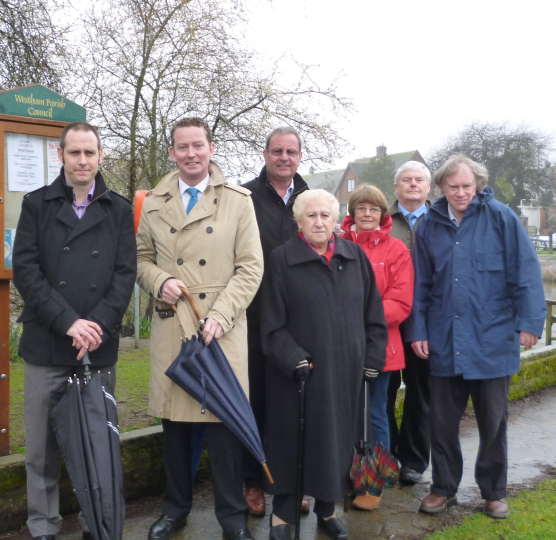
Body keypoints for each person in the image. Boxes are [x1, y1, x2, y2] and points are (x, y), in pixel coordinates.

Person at [136, 117, 263, 540]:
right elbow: (140, 259)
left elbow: (251, 267)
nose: (191, 153)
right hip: (174, 323)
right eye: (182, 146)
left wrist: (221, 315)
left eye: (198, 145)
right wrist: (159, 281)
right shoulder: (153, 201)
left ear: (211, 148)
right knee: (175, 427)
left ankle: (232, 518)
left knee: (224, 425)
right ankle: (174, 510)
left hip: (220, 327)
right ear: (172, 152)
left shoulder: (238, 200)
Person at [12, 122, 137, 540]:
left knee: (97, 442)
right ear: (60, 155)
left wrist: (95, 324)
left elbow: (125, 274)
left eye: (89, 153)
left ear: (100, 155)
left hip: (97, 345)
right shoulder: (37, 205)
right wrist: (68, 322)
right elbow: (26, 272)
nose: (82, 161)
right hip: (47, 342)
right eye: (74, 153)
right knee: (41, 448)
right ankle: (43, 525)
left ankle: (95, 523)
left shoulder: (119, 209)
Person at [406, 154, 546, 519]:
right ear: (441, 187)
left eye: (467, 186)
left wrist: (531, 322)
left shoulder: (501, 217)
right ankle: (443, 488)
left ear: (478, 184)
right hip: (444, 339)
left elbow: (526, 271)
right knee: (441, 424)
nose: (460, 193)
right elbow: (420, 283)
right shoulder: (429, 225)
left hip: (492, 339)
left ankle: (494, 493)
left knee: (493, 424)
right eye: (453, 186)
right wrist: (418, 329)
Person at [262, 189, 388, 540]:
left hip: (346, 373)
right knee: (293, 446)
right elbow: (271, 323)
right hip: (300, 375)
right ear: (299, 221)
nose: (319, 222)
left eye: (325, 216)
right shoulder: (282, 259)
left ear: (335, 221)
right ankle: (282, 516)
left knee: (338, 443)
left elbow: (373, 314)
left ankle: (328, 511)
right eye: (311, 216)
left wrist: (373, 356)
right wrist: (292, 357)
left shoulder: (354, 256)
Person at [240, 127, 308, 516]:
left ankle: (294, 482)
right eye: (277, 151)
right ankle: (253, 481)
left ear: (299, 156)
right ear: (265, 154)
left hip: (298, 320)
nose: (284, 157)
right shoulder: (244, 196)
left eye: (291, 151)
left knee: (294, 404)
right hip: (252, 316)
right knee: (254, 403)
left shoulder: (311, 198)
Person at [338, 184, 414, 511]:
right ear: (352, 212)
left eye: (373, 209)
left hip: (379, 346)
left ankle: (372, 482)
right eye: (361, 208)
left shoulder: (395, 249)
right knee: (341, 414)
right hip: (339, 346)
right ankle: (342, 476)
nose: (367, 214)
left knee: (375, 413)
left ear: (383, 213)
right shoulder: (336, 244)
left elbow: (401, 301)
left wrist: (361, 316)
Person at [384, 161, 433, 485]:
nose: (413, 184)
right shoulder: (382, 220)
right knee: (383, 391)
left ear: (428, 187)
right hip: (387, 320)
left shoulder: (441, 220)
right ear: (396, 187)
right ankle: (386, 456)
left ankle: (414, 460)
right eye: (406, 180)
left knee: (421, 391)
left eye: (419, 180)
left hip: (427, 321)